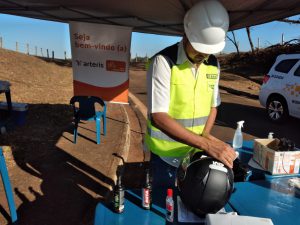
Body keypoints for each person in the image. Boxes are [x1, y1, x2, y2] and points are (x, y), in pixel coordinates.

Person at [144, 0, 236, 188]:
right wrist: (208, 145)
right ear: (186, 34)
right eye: (200, 47)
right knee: (165, 207)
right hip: (166, 156)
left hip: (195, 152)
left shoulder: (213, 64)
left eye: (208, 50)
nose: (204, 55)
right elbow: (159, 117)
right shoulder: (163, 62)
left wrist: (205, 137)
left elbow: (213, 106)